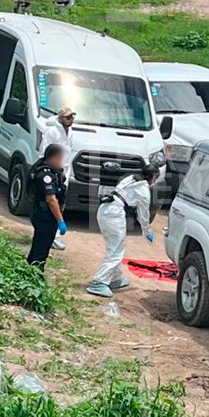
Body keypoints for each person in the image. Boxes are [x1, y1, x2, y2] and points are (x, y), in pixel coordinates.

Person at [88, 166, 158, 298]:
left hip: (105, 208)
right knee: (116, 251)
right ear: (154, 177)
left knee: (115, 247)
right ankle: (99, 282)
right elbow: (143, 215)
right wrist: (146, 230)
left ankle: (115, 278)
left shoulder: (130, 178)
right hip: (114, 213)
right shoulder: (144, 190)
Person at [27, 144, 68, 272]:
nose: (61, 162)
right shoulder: (46, 175)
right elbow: (51, 200)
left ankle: (27, 272)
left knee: (37, 247)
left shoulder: (53, 172)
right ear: (52, 158)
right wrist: (60, 221)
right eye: (60, 158)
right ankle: (35, 279)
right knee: (41, 252)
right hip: (45, 216)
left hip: (43, 215)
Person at [41, 106, 75, 250]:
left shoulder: (70, 131)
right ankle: (51, 236)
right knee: (52, 202)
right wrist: (49, 170)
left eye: (72, 117)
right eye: (68, 117)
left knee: (61, 202)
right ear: (61, 118)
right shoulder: (52, 131)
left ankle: (55, 235)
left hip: (64, 170)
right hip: (53, 171)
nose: (71, 120)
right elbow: (45, 151)